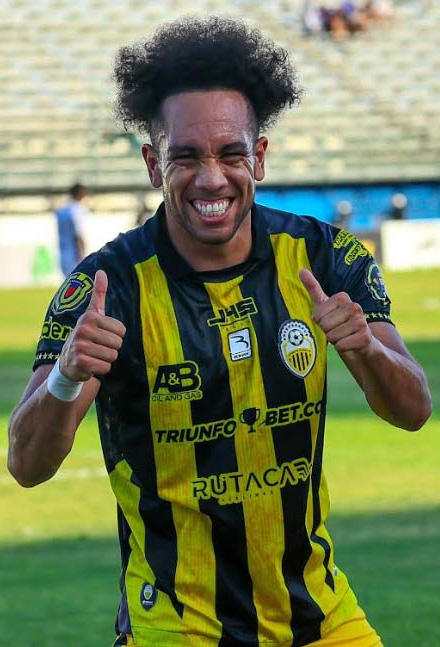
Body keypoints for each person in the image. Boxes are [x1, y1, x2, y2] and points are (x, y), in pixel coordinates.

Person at [8, 16, 431, 647]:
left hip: (320, 618)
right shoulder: (107, 288)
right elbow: (26, 464)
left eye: (231, 154)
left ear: (258, 156)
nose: (212, 178)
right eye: (186, 157)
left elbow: (413, 410)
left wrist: (366, 350)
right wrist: (67, 378)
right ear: (153, 164)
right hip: (177, 629)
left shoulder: (324, 257)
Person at [54, 182, 88, 276]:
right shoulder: (77, 210)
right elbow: (78, 234)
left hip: (63, 251)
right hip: (74, 253)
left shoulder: (62, 210)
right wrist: (82, 253)